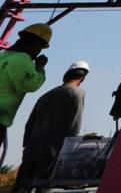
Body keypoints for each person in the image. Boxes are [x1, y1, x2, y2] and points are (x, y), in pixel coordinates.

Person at [15, 60, 89, 190]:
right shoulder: (78, 93)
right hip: (53, 150)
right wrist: (70, 149)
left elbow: (29, 123)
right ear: (82, 79)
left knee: (21, 186)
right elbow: (75, 125)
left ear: (65, 76)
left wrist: (27, 146)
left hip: (32, 148)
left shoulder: (46, 95)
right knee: (45, 187)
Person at [0, 24, 51, 165]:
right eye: (39, 48)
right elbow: (30, 85)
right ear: (34, 45)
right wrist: (40, 67)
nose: (38, 52)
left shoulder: (3, 55)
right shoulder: (22, 59)